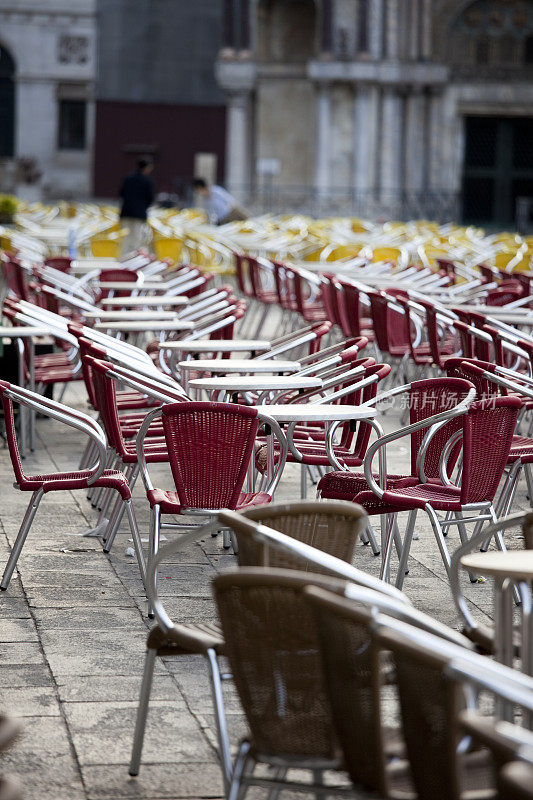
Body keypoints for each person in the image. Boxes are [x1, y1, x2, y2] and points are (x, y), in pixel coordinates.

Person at [119, 158, 154, 255]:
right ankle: (133, 260)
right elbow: (150, 198)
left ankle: (123, 258)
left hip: (126, 212)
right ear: (147, 168)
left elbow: (121, 193)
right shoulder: (147, 181)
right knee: (136, 238)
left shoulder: (128, 178)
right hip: (139, 213)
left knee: (125, 237)